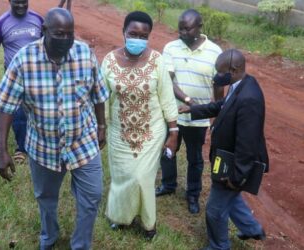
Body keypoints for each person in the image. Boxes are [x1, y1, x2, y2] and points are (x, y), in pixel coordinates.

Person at [0, 8, 109, 250]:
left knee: (92, 196)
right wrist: (2, 150)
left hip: (83, 142)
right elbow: (6, 107)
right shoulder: (24, 60)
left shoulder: (84, 54)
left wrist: (102, 125)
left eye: (70, 34)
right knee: (46, 198)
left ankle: (81, 244)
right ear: (44, 31)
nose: (65, 40)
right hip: (44, 146)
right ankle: (49, 236)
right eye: (58, 34)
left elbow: (98, 94)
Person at [179, 49, 268, 250]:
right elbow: (222, 106)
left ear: (234, 69)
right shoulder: (240, 84)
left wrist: (237, 177)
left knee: (214, 209)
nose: (217, 77)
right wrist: (194, 109)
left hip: (234, 164)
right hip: (227, 158)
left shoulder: (249, 98)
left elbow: (247, 144)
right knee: (231, 198)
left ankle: (219, 246)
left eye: (220, 73)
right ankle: (252, 228)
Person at [101, 11, 178, 240]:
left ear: (149, 36)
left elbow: (167, 97)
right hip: (119, 131)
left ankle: (148, 223)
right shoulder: (109, 61)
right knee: (122, 177)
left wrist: (173, 131)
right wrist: (101, 128)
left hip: (151, 131)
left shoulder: (157, 60)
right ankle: (121, 217)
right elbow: (102, 98)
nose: (138, 38)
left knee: (142, 177)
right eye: (133, 33)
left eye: (143, 35)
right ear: (123, 33)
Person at [155, 9, 224, 215]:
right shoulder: (170, 48)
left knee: (195, 159)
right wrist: (187, 100)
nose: (182, 33)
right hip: (173, 114)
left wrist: (215, 116)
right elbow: (168, 79)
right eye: (180, 28)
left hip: (198, 119)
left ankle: (192, 194)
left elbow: (218, 88)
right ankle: (168, 185)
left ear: (199, 27)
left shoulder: (215, 52)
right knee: (168, 152)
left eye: (187, 29)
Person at [0, 0, 43, 163]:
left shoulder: (38, 19)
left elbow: (48, 42)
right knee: (17, 114)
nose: (21, 6)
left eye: (24, 2)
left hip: (37, 75)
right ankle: (22, 148)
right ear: (10, 1)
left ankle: (38, 142)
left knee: (37, 109)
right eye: (17, 3)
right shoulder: (1, 23)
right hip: (13, 77)